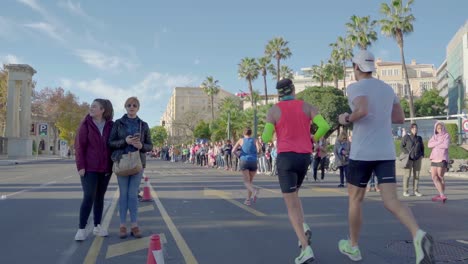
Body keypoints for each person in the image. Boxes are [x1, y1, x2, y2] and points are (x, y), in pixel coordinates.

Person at [337, 50, 434, 263]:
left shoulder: (354, 87)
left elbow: (362, 110)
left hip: (362, 153)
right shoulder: (387, 88)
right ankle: (418, 234)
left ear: (357, 67)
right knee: (391, 201)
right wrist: (380, 114)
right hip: (385, 152)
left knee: (355, 200)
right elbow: (399, 117)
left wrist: (346, 118)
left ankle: (353, 247)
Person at [262, 78, 331, 264]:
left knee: (290, 205)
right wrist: (312, 138)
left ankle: (305, 248)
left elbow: (266, 136)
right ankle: (304, 225)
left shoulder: (273, 110)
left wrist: (275, 132)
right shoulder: (307, 106)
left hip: (286, 158)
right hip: (304, 158)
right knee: (295, 194)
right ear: (293, 89)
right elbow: (324, 126)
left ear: (279, 93)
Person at [109, 97, 153, 239]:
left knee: (133, 195)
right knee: (124, 194)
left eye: (134, 105)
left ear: (138, 108)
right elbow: (110, 143)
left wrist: (141, 146)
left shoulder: (143, 125)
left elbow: (149, 145)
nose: (131, 107)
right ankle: (122, 225)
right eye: (129, 105)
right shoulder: (118, 123)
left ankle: (134, 225)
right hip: (121, 161)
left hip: (137, 163)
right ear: (125, 107)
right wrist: (125, 141)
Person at [74, 99, 114, 241]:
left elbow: (113, 144)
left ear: (102, 110)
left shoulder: (111, 126)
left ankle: (97, 226)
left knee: (99, 197)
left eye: (94, 106)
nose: (90, 108)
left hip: (105, 168)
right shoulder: (86, 124)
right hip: (89, 168)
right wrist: (81, 166)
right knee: (89, 196)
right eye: (91, 106)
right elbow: (79, 147)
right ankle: (81, 229)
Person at [232, 128, 261, 206]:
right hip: (253, 161)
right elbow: (259, 150)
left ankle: (254, 191)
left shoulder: (241, 140)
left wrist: (239, 155)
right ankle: (248, 200)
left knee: (246, 182)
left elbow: (233, 150)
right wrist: (255, 153)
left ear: (243, 133)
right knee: (250, 182)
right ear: (251, 133)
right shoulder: (255, 140)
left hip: (244, 160)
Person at [428, 121, 450, 202]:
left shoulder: (446, 135)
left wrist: (435, 144)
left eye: (441, 128)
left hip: (442, 158)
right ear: (435, 129)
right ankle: (441, 194)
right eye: (438, 128)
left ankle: (441, 194)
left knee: (440, 176)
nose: (439, 130)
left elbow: (445, 146)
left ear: (443, 128)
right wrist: (438, 142)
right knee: (434, 177)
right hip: (434, 158)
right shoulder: (434, 136)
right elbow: (429, 145)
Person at [401, 123, 425, 197]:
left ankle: (416, 191)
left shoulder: (419, 138)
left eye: (416, 128)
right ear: (411, 129)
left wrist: (422, 155)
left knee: (416, 175)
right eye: (413, 128)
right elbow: (402, 146)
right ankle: (405, 191)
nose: (415, 129)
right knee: (407, 175)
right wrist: (406, 153)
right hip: (409, 159)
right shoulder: (406, 137)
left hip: (417, 159)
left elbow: (422, 147)